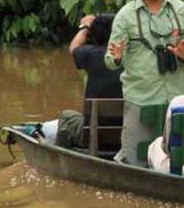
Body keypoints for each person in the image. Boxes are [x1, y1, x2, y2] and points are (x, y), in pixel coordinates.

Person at [106, 0, 184, 165]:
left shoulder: (180, 9)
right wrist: (117, 57)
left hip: (177, 98)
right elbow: (109, 59)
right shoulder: (125, 15)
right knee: (135, 160)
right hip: (141, 98)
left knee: (180, 157)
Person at [40, 12, 122, 143]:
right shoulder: (134, 57)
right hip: (127, 132)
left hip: (93, 134)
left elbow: (73, 48)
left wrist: (85, 27)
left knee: (66, 116)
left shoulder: (91, 54)